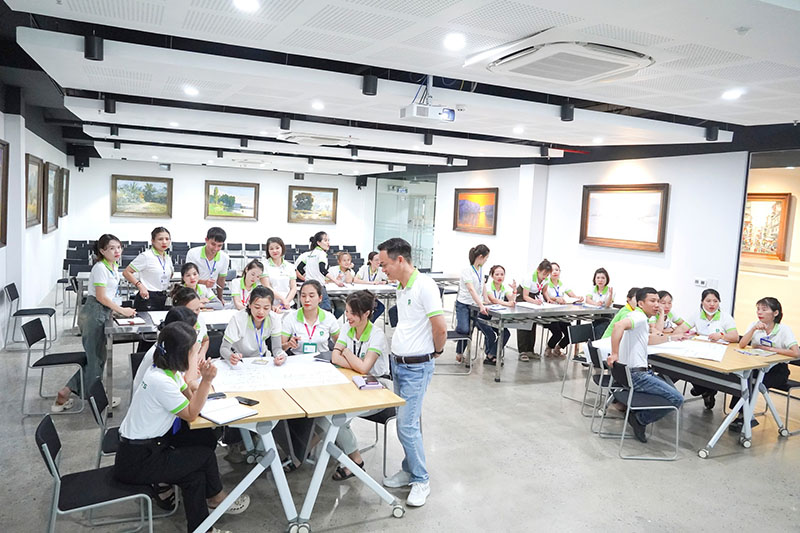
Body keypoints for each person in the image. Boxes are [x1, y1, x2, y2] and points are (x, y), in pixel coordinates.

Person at [114, 322, 250, 533]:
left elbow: (189, 395)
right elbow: (191, 413)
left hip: (147, 448)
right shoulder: (161, 382)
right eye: (195, 354)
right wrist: (206, 380)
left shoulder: (167, 371)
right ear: (181, 355)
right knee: (203, 455)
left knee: (194, 476)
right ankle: (216, 499)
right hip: (138, 459)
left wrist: (201, 383)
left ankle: (202, 528)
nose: (198, 358)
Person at [378, 237, 446, 508]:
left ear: (400, 260)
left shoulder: (425, 286)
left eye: (384, 265)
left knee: (405, 426)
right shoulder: (401, 286)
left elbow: (439, 327)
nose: (382, 269)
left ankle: (421, 479)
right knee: (410, 423)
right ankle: (408, 469)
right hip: (400, 364)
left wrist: (436, 353)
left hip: (418, 366)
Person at [52, 234, 136, 412]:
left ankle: (65, 392)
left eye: (119, 247)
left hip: (103, 312)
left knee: (96, 358)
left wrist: (115, 312)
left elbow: (110, 296)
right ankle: (96, 399)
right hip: (94, 312)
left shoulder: (112, 266)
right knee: (96, 359)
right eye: (112, 248)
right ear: (102, 250)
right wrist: (122, 311)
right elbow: (101, 297)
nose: (117, 251)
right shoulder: (100, 268)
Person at [324, 290, 390, 481]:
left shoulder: (377, 335)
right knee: (325, 411)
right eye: (347, 312)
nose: (348, 317)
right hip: (351, 381)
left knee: (338, 418)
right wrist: (355, 363)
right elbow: (335, 358)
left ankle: (355, 462)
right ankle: (336, 450)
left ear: (367, 313)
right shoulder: (346, 327)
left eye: (353, 313)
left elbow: (365, 368)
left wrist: (348, 355)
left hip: (377, 388)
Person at [606, 287, 684, 443]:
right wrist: (614, 353)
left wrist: (670, 339)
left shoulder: (640, 318)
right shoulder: (639, 317)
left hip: (632, 373)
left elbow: (646, 340)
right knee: (677, 398)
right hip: (638, 376)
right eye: (652, 301)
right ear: (641, 303)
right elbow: (618, 326)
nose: (657, 305)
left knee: (666, 389)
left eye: (658, 301)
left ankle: (638, 414)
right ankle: (640, 419)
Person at [728, 297, 799, 432]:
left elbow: (796, 353)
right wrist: (753, 329)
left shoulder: (784, 330)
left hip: (778, 371)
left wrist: (772, 350)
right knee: (742, 378)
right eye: (758, 309)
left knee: (752, 383)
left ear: (775, 313)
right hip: (757, 365)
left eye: (764, 309)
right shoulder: (755, 325)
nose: (759, 312)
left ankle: (744, 416)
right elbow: (742, 344)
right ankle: (744, 415)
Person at [682, 289, 739, 410]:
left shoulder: (725, 317)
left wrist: (722, 336)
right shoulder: (697, 315)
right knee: (688, 366)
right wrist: (682, 334)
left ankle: (704, 389)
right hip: (699, 352)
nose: (712, 304)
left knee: (705, 371)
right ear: (702, 302)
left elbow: (735, 337)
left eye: (715, 301)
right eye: (708, 301)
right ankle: (704, 389)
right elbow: (681, 329)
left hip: (719, 355)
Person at [454, 245, 493, 365]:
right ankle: (458, 330)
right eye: (486, 257)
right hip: (464, 304)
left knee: (470, 330)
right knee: (464, 329)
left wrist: (485, 299)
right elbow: (471, 289)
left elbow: (483, 285)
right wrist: (481, 305)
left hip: (475, 304)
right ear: (480, 257)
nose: (487, 260)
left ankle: (460, 353)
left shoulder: (481, 270)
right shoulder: (467, 270)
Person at [281, 280, 341, 354]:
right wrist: (289, 344)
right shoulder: (290, 318)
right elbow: (281, 347)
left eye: (311, 296)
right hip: (297, 360)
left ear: (320, 298)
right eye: (303, 296)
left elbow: (339, 344)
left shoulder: (329, 318)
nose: (307, 300)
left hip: (321, 360)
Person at [123, 226, 173, 312]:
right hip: (147, 297)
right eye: (160, 239)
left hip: (163, 296)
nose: (164, 242)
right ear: (153, 241)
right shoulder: (146, 256)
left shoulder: (167, 258)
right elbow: (126, 272)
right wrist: (140, 285)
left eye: (167, 239)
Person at [543, 262, 584, 357]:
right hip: (549, 314)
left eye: (557, 270)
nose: (555, 272)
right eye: (552, 270)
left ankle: (558, 348)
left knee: (570, 333)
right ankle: (549, 347)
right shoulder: (546, 284)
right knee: (558, 334)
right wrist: (556, 299)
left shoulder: (562, 285)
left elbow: (572, 295)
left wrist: (578, 298)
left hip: (561, 314)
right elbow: (546, 297)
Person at [295, 231, 342, 312]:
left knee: (312, 310)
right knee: (326, 311)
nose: (328, 243)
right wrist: (336, 281)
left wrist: (307, 277)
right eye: (325, 240)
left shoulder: (310, 254)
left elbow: (299, 268)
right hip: (318, 286)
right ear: (318, 243)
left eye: (328, 240)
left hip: (308, 285)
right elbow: (322, 269)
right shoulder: (322, 254)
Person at [516, 259, 553, 361]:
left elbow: (544, 291)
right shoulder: (529, 278)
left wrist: (548, 299)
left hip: (534, 298)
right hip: (523, 297)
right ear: (538, 270)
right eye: (544, 274)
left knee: (533, 324)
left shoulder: (546, 279)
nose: (545, 276)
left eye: (547, 274)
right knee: (523, 323)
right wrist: (535, 302)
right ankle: (522, 351)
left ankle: (530, 350)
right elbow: (525, 295)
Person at [483, 264, 516, 363]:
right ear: (492, 276)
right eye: (497, 274)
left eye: (502, 274)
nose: (500, 276)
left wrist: (514, 291)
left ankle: (490, 354)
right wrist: (507, 303)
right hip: (485, 316)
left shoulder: (504, 287)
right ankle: (491, 355)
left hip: (496, 316)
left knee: (506, 333)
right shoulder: (488, 286)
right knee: (491, 334)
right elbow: (493, 299)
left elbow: (511, 299)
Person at [186, 227, 230, 301]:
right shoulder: (193, 253)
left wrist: (220, 298)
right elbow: (187, 277)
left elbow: (221, 279)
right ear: (206, 240)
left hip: (212, 292)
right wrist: (204, 282)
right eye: (213, 244)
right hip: (194, 290)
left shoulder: (224, 257)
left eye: (219, 246)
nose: (215, 249)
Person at [263, 236, 296, 311]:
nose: (274, 251)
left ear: (282, 248)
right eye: (271, 249)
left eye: (277, 248)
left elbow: (293, 288)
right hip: (271, 306)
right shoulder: (264, 266)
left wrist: (286, 302)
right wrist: (283, 300)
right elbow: (267, 287)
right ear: (268, 251)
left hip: (288, 305)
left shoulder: (290, 266)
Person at [354, 251, 389, 322]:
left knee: (381, 307)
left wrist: (385, 282)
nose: (379, 262)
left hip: (372, 297)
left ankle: (368, 323)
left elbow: (393, 279)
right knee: (365, 308)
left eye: (379, 260)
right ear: (370, 261)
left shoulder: (380, 270)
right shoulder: (364, 268)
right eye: (376, 260)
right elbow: (355, 280)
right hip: (362, 296)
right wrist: (370, 283)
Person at [585, 267, 614, 339]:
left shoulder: (610, 290)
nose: (600, 280)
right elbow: (587, 300)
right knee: (589, 332)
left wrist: (610, 295)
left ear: (607, 279)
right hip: (595, 317)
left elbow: (607, 305)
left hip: (606, 318)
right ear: (594, 279)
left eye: (603, 278)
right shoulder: (592, 288)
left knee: (598, 331)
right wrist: (595, 303)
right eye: (598, 278)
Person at [329, 251, 356, 317]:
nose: (347, 262)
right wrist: (336, 280)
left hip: (340, 296)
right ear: (339, 261)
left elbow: (349, 281)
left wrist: (348, 269)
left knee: (341, 309)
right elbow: (326, 282)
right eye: (344, 260)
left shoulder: (351, 272)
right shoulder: (332, 269)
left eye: (348, 260)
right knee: (327, 309)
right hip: (329, 294)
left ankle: (333, 322)